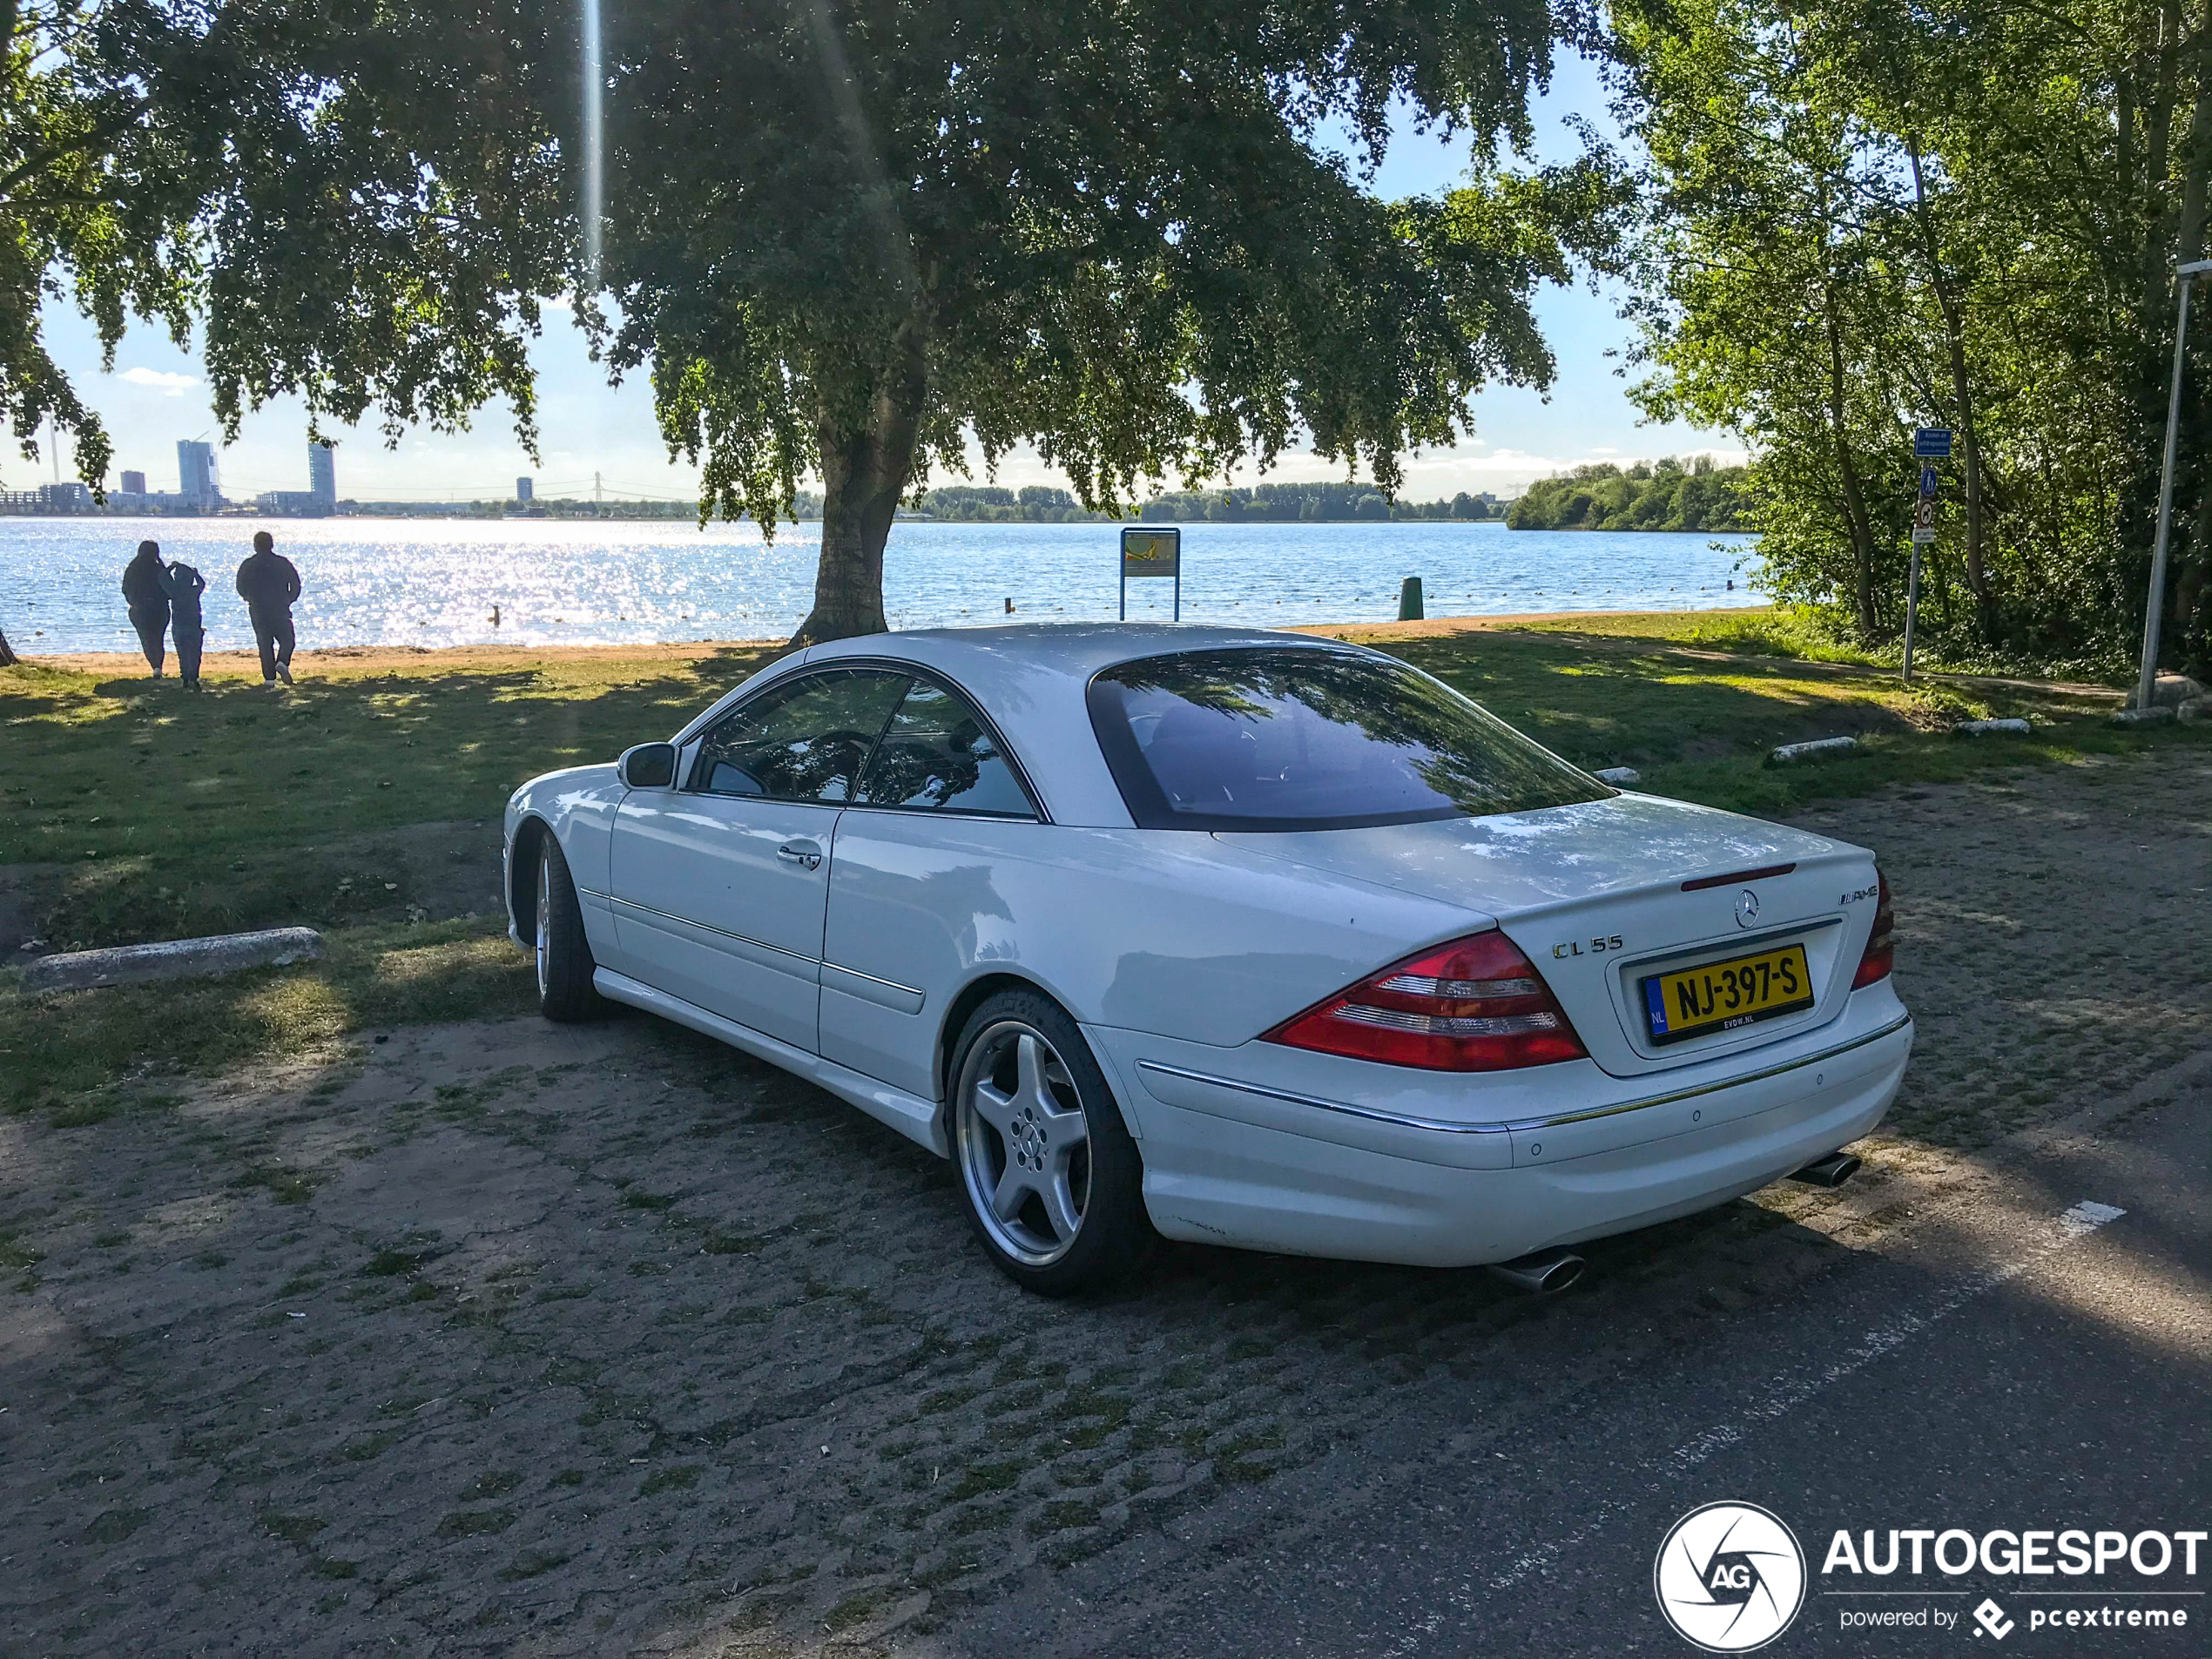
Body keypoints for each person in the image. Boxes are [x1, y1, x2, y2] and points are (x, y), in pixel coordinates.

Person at [235, 529, 301, 687]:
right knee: (287, 639)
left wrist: (249, 598)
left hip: (258, 608)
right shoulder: (282, 563)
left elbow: (240, 586)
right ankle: (283, 662)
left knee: (264, 644)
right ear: (271, 545)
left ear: (255, 546)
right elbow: (296, 583)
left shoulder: (248, 564)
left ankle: (270, 679)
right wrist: (289, 599)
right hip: (279, 606)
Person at [121, 540, 170, 678]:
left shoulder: (133, 568)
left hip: (140, 608)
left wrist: (133, 602)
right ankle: (158, 666)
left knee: (147, 638)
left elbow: (125, 589)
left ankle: (155, 666)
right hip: (160, 608)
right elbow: (168, 589)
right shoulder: (159, 568)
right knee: (158, 638)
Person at [159, 555, 209, 691]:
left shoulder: (174, 590)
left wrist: (171, 567)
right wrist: (196, 574)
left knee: (183, 653)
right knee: (195, 653)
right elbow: (202, 584)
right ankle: (194, 677)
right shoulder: (193, 591)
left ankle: (185, 678)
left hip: (179, 626)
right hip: (194, 626)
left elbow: (162, 577)